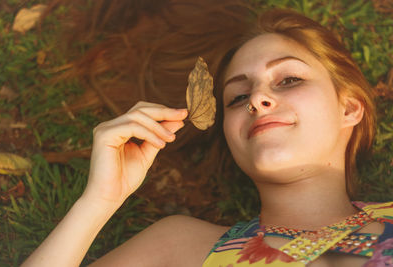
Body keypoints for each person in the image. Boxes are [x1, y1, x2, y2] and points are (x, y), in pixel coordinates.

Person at [21, 4, 393, 267]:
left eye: (289, 79)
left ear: (349, 109)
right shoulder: (181, 246)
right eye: (238, 97)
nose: (258, 100)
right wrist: (99, 200)